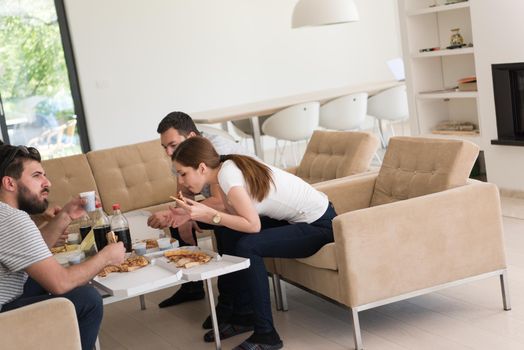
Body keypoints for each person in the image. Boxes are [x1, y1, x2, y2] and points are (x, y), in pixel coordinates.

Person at [170, 136, 337, 350]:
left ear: (201, 167)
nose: (181, 181)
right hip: (294, 221)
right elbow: (233, 216)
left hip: (320, 226)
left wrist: (209, 214)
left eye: (183, 174)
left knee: (248, 246)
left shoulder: (229, 176)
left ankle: (266, 335)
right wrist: (193, 215)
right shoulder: (223, 172)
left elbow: (252, 225)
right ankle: (242, 315)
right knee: (230, 233)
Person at [0, 144, 126, 350]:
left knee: (44, 277)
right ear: (9, 183)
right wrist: (107, 257)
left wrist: (65, 215)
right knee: (87, 298)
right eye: (37, 176)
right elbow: (60, 283)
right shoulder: (12, 219)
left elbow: (30, 252)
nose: (47, 182)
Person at [147, 111, 254, 323]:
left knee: (219, 222)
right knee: (176, 217)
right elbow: (183, 195)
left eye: (173, 145)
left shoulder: (216, 150)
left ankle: (231, 304)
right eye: (165, 147)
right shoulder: (181, 154)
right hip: (228, 206)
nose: (169, 152)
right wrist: (182, 214)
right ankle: (192, 288)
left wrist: (187, 215)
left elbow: (221, 202)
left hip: (248, 206)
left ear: (192, 137)